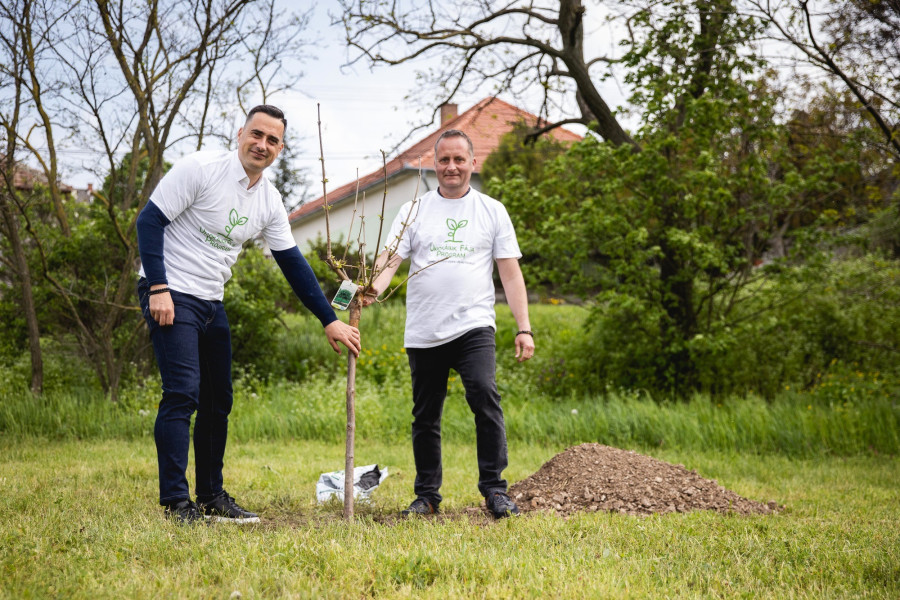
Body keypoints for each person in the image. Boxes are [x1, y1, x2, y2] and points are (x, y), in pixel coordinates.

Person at [135, 105, 361, 524]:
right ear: (240, 133)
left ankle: (211, 495)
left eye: (272, 140)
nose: (262, 145)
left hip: (209, 301)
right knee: (183, 392)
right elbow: (148, 222)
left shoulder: (269, 200)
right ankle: (176, 503)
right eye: (256, 134)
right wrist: (158, 287)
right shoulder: (200, 168)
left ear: (280, 148)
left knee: (218, 400)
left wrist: (329, 318)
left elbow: (292, 262)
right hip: (170, 291)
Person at [363, 129, 535, 519]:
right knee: (425, 415)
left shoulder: (492, 211)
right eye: (444, 160)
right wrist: (372, 289)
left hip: (474, 326)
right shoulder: (413, 211)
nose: (452, 167)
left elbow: (510, 273)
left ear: (473, 163)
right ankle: (426, 496)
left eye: (459, 159)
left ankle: (494, 490)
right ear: (433, 164)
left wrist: (523, 327)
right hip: (424, 329)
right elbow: (390, 260)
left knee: (484, 396)